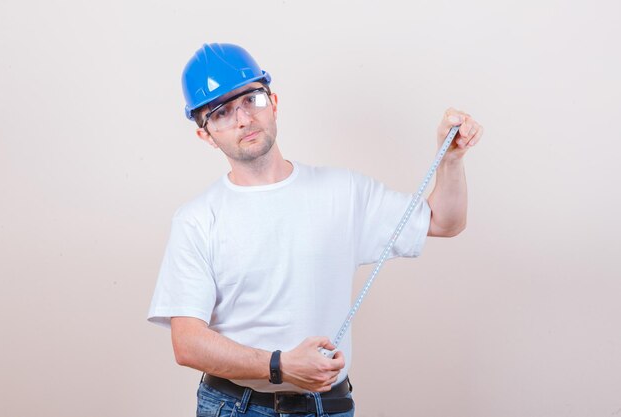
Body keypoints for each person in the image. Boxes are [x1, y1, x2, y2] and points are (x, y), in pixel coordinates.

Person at [148, 43, 483, 417]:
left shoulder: (343, 192)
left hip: (328, 406)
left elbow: (444, 221)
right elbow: (188, 343)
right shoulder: (197, 220)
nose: (243, 119)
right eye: (222, 112)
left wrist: (450, 159)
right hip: (234, 406)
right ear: (205, 135)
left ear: (273, 102)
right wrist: (279, 365)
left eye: (250, 100)